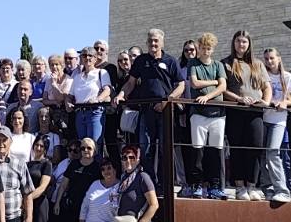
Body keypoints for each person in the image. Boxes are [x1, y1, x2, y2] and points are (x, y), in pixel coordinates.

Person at [115, 29, 186, 175]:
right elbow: (131, 82)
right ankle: (148, 183)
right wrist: (121, 94)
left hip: (165, 111)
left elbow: (181, 85)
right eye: (150, 41)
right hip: (146, 110)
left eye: (156, 40)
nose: (153, 43)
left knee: (164, 150)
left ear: (162, 42)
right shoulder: (141, 61)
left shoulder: (170, 61)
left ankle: (163, 185)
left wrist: (167, 101)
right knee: (145, 147)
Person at [220, 31, 268, 200]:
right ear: (234, 43)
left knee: (255, 147)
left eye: (244, 42)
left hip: (255, 111)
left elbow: (266, 86)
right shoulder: (226, 63)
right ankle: (239, 186)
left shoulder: (258, 64)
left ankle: (252, 185)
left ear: (249, 44)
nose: (241, 45)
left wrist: (265, 101)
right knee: (237, 148)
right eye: (238, 41)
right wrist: (239, 99)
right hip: (236, 110)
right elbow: (222, 88)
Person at [179, 35, 226, 199]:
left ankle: (215, 185)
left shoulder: (218, 65)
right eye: (203, 47)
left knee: (215, 151)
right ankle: (197, 184)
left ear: (213, 49)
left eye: (209, 48)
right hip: (198, 113)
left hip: (218, 114)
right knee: (197, 150)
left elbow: (223, 86)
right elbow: (194, 83)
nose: (205, 51)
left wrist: (208, 96)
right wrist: (214, 82)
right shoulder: (193, 63)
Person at [259, 48, 291, 203]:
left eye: (272, 58)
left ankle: (282, 189)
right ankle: (266, 187)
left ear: (279, 59)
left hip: (279, 120)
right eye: (267, 58)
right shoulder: (263, 75)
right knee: (261, 153)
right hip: (263, 117)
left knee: (273, 152)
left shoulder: (287, 77)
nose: (269, 61)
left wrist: (283, 102)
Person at [67, 48, 111, 146]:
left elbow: (107, 90)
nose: (87, 58)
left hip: (95, 112)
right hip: (79, 113)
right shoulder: (77, 77)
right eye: (84, 55)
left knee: (94, 145)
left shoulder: (102, 72)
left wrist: (97, 99)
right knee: (82, 146)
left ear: (95, 58)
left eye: (90, 55)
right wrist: (68, 102)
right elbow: (70, 95)